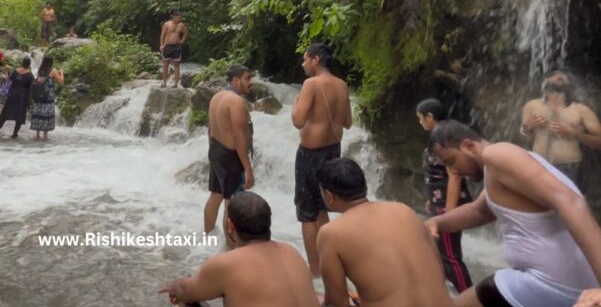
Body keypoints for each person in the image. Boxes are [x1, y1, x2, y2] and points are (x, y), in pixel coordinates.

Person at [426, 120, 601, 307]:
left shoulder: (498, 154)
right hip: (554, 282)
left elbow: (571, 202)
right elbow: (479, 211)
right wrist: (437, 222)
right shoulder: (504, 168)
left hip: (550, 284)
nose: (454, 171)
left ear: (469, 146)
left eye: (451, 161)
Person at [317, 158, 456, 307]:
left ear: (329, 196)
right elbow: (440, 275)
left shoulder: (331, 233)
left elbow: (337, 303)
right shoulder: (404, 211)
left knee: (317, 299)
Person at [159, 192, 319, 307]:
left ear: (230, 226)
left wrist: (175, 286)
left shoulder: (226, 264)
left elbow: (186, 290)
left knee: (189, 301)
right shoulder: (291, 252)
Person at [291, 42, 351, 277]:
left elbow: (297, 121)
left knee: (307, 212)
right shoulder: (341, 84)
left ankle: (315, 270)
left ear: (316, 59)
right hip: (333, 150)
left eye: (305, 59)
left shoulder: (311, 84)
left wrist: (296, 103)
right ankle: (332, 261)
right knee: (322, 207)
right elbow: (348, 122)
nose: (303, 64)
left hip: (310, 153)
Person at [416, 98, 474, 293]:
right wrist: (431, 199)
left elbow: (455, 176)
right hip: (440, 203)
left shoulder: (444, 138)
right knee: (439, 253)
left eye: (420, 118)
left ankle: (468, 297)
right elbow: (437, 173)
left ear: (429, 117)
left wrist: (448, 213)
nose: (420, 122)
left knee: (450, 255)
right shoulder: (442, 135)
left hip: (448, 206)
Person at [520, 70, 601, 186]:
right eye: (552, 76)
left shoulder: (581, 110)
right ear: (544, 82)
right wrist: (528, 127)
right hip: (538, 164)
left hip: (570, 167)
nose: (556, 78)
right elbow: (524, 134)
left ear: (569, 84)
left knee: (569, 203)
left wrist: (574, 133)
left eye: (561, 78)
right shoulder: (531, 106)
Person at [203, 65, 255, 236]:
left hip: (216, 150)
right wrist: (247, 168)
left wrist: (213, 153)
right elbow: (239, 137)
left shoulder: (217, 97)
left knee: (215, 195)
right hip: (230, 156)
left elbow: (210, 129)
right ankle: (230, 245)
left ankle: (207, 237)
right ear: (235, 80)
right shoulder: (236, 102)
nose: (251, 82)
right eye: (247, 78)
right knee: (231, 203)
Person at [0, 56, 33, 138]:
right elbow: (31, 88)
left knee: (5, 113)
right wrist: (30, 101)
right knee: (19, 116)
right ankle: (14, 134)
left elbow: (9, 81)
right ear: (29, 64)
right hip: (22, 97)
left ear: (22, 62)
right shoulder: (30, 75)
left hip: (12, 95)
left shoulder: (15, 71)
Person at [29, 55, 64, 141]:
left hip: (38, 96)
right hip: (48, 96)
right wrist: (62, 73)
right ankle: (45, 136)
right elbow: (61, 82)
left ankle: (37, 135)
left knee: (38, 112)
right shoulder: (53, 70)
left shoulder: (39, 71)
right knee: (47, 114)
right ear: (51, 62)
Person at [159, 11, 188, 88]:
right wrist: (161, 45)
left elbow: (185, 33)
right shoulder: (167, 24)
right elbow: (162, 35)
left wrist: (181, 41)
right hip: (167, 46)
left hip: (177, 46)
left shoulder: (181, 25)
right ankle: (164, 82)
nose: (179, 18)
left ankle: (175, 83)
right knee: (165, 65)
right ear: (173, 16)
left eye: (179, 16)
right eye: (178, 16)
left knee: (176, 65)